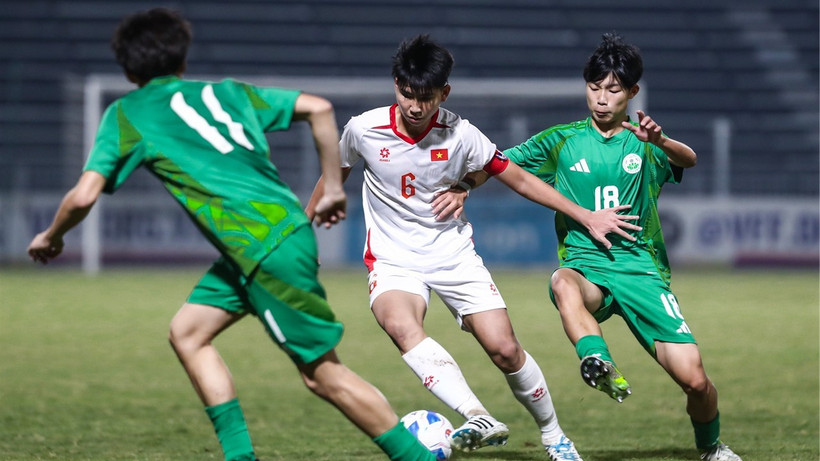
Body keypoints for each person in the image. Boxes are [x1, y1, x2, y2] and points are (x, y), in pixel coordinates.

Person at [27, 8, 438, 461]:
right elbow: (319, 109)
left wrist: (52, 236)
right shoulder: (224, 93)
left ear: (127, 69)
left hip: (264, 250)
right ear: (181, 60)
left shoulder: (126, 115)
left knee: (322, 375)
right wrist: (333, 189)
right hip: (264, 242)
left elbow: (84, 196)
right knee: (187, 332)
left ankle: (414, 456)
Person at [306, 34, 640, 461]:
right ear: (395, 84)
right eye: (406, 94)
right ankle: (477, 414)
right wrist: (303, 231)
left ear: (443, 93)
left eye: (425, 97)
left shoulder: (462, 134)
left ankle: (555, 436)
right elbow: (333, 177)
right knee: (399, 324)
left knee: (504, 349)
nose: (413, 105)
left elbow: (518, 177)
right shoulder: (363, 129)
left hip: (453, 255)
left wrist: (584, 214)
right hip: (393, 260)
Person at [497, 33, 743, 461]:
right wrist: (463, 184)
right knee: (562, 283)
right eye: (594, 88)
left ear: (632, 92)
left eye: (613, 90)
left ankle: (711, 448)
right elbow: (497, 163)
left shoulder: (645, 144)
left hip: (642, 272)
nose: (601, 99)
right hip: (587, 267)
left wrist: (661, 140)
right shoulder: (562, 140)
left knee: (697, 382)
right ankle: (597, 361)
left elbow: (689, 159)